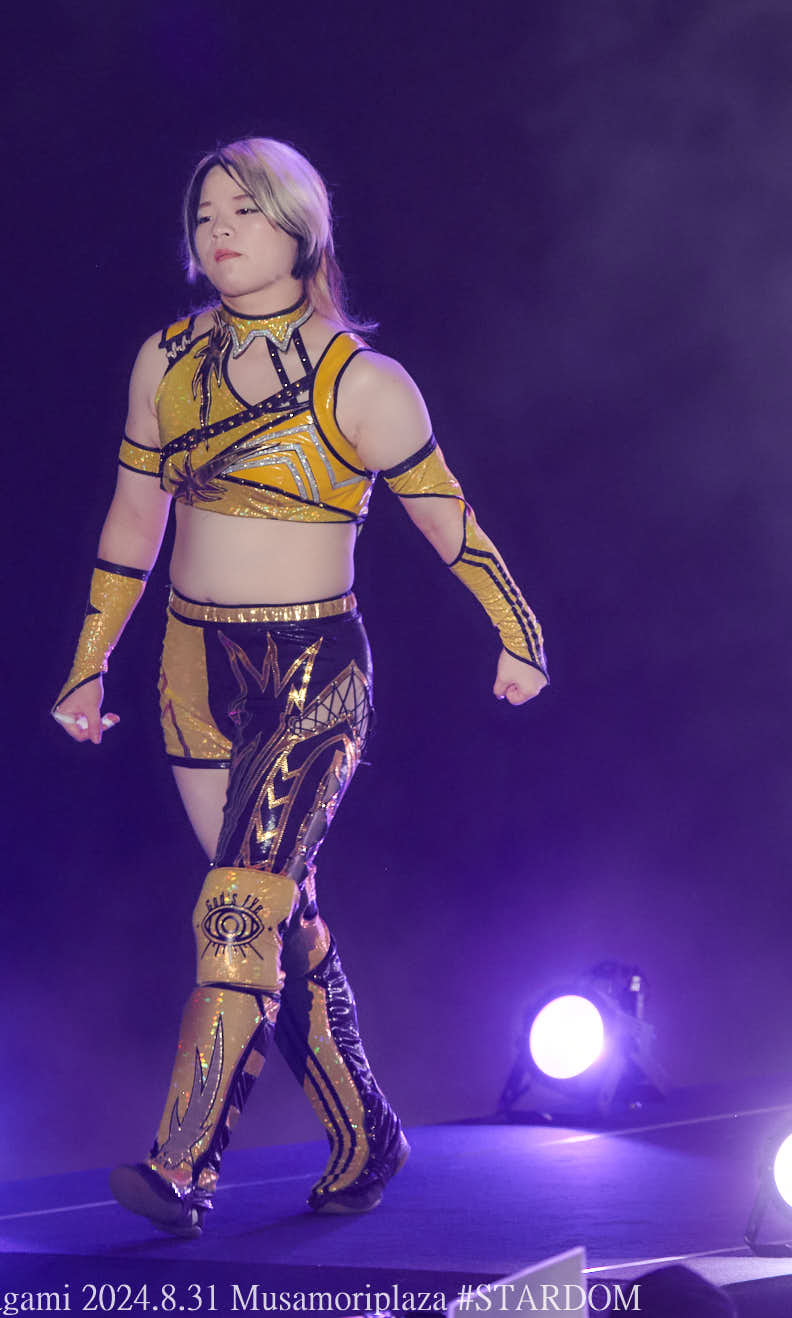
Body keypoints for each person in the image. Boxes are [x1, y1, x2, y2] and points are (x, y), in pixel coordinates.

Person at [52, 137, 548, 1239]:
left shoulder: (362, 382)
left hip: (314, 674)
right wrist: (90, 659)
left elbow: (450, 521)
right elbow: (134, 520)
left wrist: (517, 633)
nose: (219, 230)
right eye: (204, 213)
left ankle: (181, 1166)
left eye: (246, 210)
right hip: (191, 667)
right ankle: (365, 1129)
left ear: (301, 227)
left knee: (236, 906)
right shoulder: (164, 359)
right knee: (278, 911)